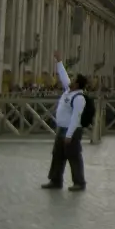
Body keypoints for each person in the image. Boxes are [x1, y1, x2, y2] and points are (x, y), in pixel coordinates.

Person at [42, 51, 88, 191]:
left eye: (73, 79)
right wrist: (59, 61)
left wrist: (69, 135)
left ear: (78, 84)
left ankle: (79, 182)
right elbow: (63, 76)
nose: (71, 80)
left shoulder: (79, 98)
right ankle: (55, 180)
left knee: (74, 157)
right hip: (61, 128)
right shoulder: (69, 91)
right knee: (57, 155)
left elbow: (76, 118)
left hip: (71, 131)